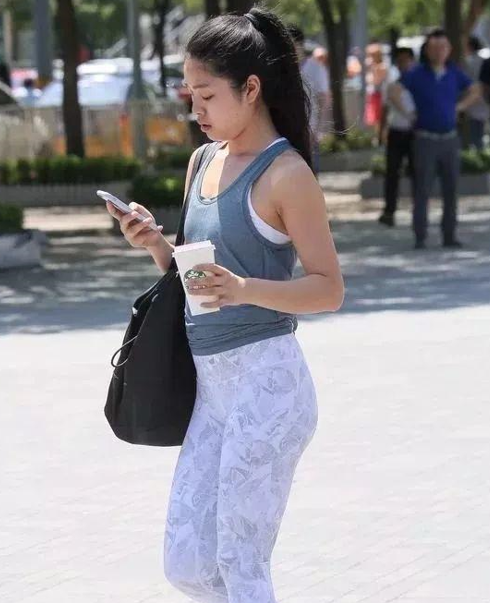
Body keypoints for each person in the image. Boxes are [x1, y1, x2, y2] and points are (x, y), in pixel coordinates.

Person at [106, 7, 344, 603]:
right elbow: (196, 279)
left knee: (241, 563)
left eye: (207, 95)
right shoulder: (202, 162)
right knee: (188, 563)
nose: (196, 110)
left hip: (269, 386)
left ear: (251, 88)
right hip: (211, 392)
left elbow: (328, 288)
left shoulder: (286, 175)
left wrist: (244, 289)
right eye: (191, 95)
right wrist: (157, 245)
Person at [392, 28, 481, 249]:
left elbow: (476, 90)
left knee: (451, 189)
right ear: (427, 50)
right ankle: (420, 235)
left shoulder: (454, 73)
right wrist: (408, 113)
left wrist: (460, 107)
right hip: (425, 139)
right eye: (434, 47)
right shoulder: (417, 73)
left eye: (443, 47)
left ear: (449, 49)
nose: (439, 51)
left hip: (450, 139)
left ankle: (449, 235)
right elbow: (393, 91)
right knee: (422, 189)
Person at [379, 47, 416, 227]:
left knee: (417, 173)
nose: (403, 64)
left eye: (406, 60)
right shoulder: (391, 83)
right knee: (392, 172)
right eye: (400, 61)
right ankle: (389, 211)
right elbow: (385, 109)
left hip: (414, 132)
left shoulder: (419, 83)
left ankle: (418, 210)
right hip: (396, 131)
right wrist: (381, 131)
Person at [288, 25, 330, 175]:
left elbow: (323, 99)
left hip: (310, 130)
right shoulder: (282, 70)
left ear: (300, 44)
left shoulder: (316, 68)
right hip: (286, 130)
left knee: (310, 173)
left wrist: (319, 129)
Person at [463, 35, 489, 149]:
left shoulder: (468, 61)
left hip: (473, 101)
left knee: (476, 134)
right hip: (483, 101)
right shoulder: (483, 59)